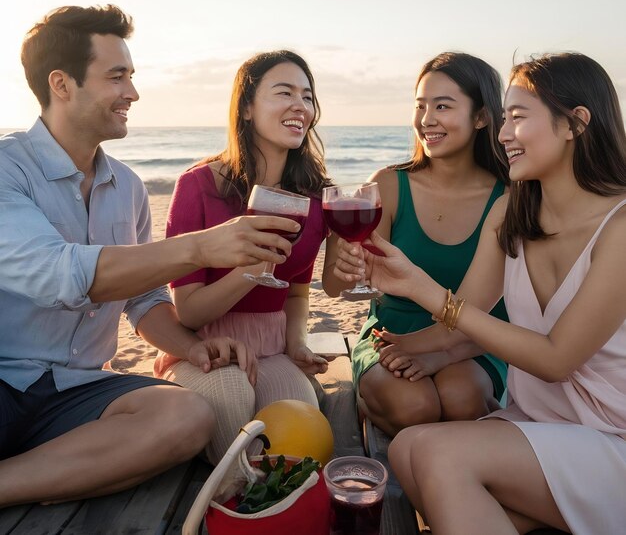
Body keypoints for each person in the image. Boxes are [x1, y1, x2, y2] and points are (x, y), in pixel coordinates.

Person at [0, 5, 301, 508]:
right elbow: (61, 271)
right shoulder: (8, 169)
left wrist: (190, 346)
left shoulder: (130, 187)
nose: (133, 93)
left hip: (81, 389)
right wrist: (202, 246)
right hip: (5, 380)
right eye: (117, 77)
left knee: (188, 416)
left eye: (132, 77)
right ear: (61, 84)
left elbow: (143, 300)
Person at [342, 53, 626, 534]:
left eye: (518, 117)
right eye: (504, 118)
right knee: (411, 450)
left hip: (606, 437)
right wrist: (409, 297)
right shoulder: (513, 214)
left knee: (436, 455)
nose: (502, 133)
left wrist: (427, 291)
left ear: (575, 123)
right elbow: (467, 312)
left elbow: (556, 360)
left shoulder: (619, 226)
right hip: (540, 422)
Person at [153, 50, 331, 463]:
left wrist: (296, 343)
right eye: (283, 92)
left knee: (299, 425)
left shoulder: (314, 199)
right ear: (247, 107)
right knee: (232, 398)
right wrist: (249, 271)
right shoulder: (199, 186)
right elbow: (191, 313)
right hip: (202, 345)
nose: (299, 106)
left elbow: (297, 293)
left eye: (307, 96)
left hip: (273, 348)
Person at [323, 52, 509, 437]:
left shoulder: (509, 198)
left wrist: (440, 350)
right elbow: (333, 287)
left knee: (462, 400)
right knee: (414, 405)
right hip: (392, 335)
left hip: (472, 341)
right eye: (420, 106)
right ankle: (367, 400)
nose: (426, 120)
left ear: (482, 117)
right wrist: (341, 262)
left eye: (443, 105)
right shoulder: (389, 185)